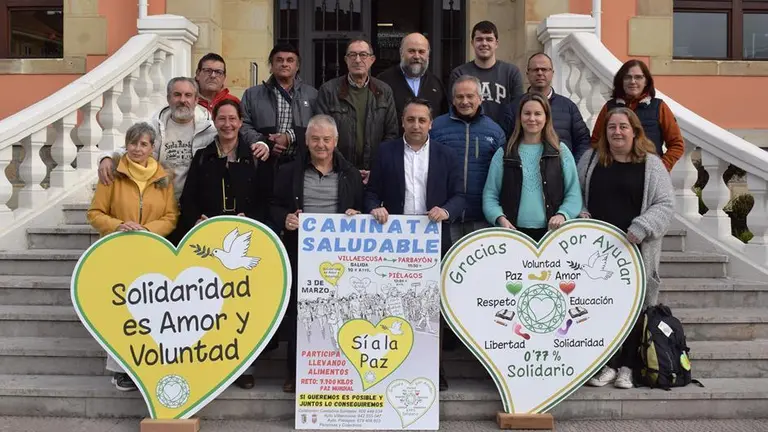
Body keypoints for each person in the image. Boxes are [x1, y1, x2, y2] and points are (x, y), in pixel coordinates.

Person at [365, 98, 466, 391]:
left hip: (431, 240)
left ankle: (435, 368)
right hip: (394, 243)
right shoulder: (386, 152)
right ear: (402, 122)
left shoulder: (446, 155)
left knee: (431, 306)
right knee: (394, 305)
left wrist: (446, 210)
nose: (416, 125)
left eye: (422, 120)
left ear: (431, 124)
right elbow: (371, 193)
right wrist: (375, 208)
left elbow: (459, 195)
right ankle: (394, 363)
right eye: (411, 120)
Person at [580, 107, 674, 389]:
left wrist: (642, 227)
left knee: (633, 310)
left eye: (623, 127)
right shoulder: (591, 159)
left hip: (634, 250)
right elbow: (576, 194)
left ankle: (627, 368)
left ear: (635, 131)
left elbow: (666, 205)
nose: (617, 132)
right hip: (597, 254)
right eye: (611, 128)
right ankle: (605, 364)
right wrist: (581, 212)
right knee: (600, 308)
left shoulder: (651, 164)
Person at [270, 114, 364, 393]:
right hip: (302, 253)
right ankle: (295, 372)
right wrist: (285, 218)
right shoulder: (289, 171)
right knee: (302, 313)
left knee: (340, 312)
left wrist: (355, 215)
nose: (320, 145)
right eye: (315, 139)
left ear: (335, 142)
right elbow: (273, 205)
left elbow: (360, 207)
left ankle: (341, 371)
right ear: (307, 142)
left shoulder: (350, 174)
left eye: (326, 139)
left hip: (339, 257)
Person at [87, 122, 178, 391]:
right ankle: (119, 369)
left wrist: (148, 231)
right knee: (120, 312)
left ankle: (146, 365)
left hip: (151, 252)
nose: (137, 149)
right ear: (126, 145)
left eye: (144, 144)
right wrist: (118, 226)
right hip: (118, 252)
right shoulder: (113, 175)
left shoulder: (163, 178)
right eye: (133, 143)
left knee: (149, 312)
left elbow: (171, 216)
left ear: (152, 148)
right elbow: (95, 213)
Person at [97, 77, 217, 203]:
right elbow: (131, 149)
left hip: (194, 204)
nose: (182, 100)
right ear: (168, 98)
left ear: (196, 100)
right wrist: (107, 158)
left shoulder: (210, 130)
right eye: (177, 95)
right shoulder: (154, 127)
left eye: (188, 95)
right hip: (160, 202)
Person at [482, 93, 582, 242]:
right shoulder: (505, 153)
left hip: (552, 233)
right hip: (512, 232)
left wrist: (563, 214)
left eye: (538, 114)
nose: (532, 118)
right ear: (519, 117)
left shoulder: (560, 152)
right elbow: (490, 194)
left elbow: (573, 192)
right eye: (527, 113)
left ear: (546, 117)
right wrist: (500, 218)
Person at [430, 75, 505, 244]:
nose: (465, 101)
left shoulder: (494, 131)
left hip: (481, 217)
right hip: (444, 217)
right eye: (459, 96)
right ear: (452, 99)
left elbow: (501, 176)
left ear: (480, 98)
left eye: (470, 96)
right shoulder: (436, 127)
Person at [316, 39, 399, 181]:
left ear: (372, 60)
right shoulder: (329, 90)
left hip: (374, 173)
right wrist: (345, 167)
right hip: (337, 172)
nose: (358, 60)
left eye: (363, 55)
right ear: (346, 60)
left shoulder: (384, 91)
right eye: (353, 55)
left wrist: (376, 167)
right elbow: (322, 133)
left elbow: (391, 133)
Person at [590, 59, 684, 171]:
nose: (633, 81)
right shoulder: (609, 107)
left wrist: (661, 167)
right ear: (621, 81)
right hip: (614, 173)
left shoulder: (659, 107)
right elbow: (595, 142)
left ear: (646, 82)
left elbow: (677, 144)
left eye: (638, 77)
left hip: (649, 175)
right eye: (627, 77)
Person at [500, 53, 590, 163]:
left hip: (560, 175)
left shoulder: (568, 107)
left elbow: (583, 141)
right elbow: (505, 143)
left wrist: (571, 167)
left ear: (552, 73)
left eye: (544, 69)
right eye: (535, 70)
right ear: (528, 74)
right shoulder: (513, 108)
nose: (540, 73)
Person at [240, 43, 318, 167]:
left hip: (300, 164)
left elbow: (318, 126)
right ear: (271, 66)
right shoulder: (252, 94)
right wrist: (264, 142)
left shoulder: (312, 95)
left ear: (297, 66)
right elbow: (243, 124)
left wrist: (290, 137)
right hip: (262, 164)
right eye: (279, 60)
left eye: (290, 60)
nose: (284, 64)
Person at [449, 21, 523, 125]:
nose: (484, 43)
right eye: (479, 39)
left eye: (489, 39)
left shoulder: (511, 72)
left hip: (504, 137)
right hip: (469, 135)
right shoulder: (460, 73)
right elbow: (453, 110)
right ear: (472, 43)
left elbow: (518, 110)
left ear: (496, 43)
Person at [377, 33, 448, 128]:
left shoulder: (436, 84)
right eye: (411, 51)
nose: (417, 56)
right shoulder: (383, 82)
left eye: (421, 51)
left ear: (428, 54)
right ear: (401, 52)